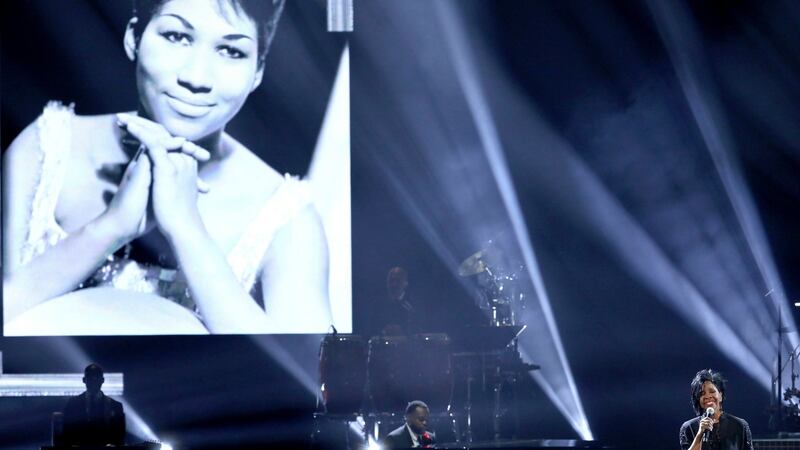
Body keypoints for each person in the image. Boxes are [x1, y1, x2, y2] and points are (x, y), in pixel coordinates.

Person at [3, 0, 332, 334]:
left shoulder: (286, 216)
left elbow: (314, 376)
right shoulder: (48, 147)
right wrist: (112, 226)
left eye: (231, 51)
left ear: (258, 71)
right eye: (177, 36)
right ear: (134, 36)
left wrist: (186, 228)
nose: (196, 77)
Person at [679, 369, 753, 450]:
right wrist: (700, 434)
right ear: (698, 399)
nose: (707, 396)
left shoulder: (740, 426)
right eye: (702, 393)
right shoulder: (689, 427)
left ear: (720, 396)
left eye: (712, 391)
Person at [62, 364, 126, 446]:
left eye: (96, 376)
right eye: (90, 376)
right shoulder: (72, 404)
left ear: (102, 380)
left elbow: (120, 436)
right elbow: (66, 432)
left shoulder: (116, 406)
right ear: (84, 380)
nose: (94, 379)